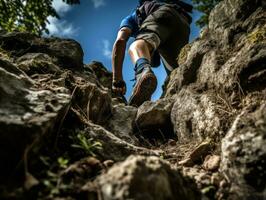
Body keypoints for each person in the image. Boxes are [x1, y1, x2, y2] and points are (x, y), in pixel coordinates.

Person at [111, 0, 192, 106]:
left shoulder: (131, 18)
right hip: (183, 25)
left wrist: (117, 80)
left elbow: (120, 41)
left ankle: (142, 71)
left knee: (136, 46)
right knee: (176, 75)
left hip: (163, 14)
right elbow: (155, 63)